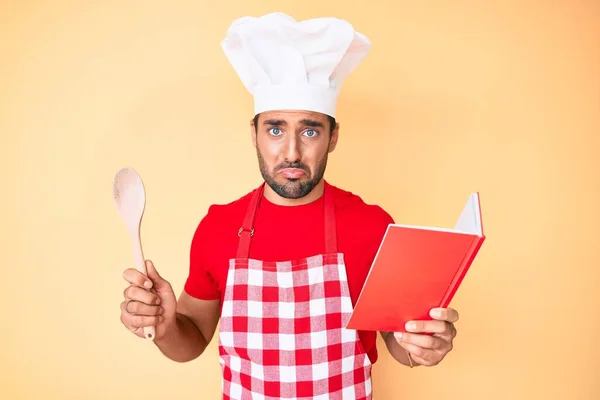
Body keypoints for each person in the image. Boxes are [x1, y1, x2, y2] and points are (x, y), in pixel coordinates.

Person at [119, 12, 459, 399]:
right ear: (255, 134)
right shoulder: (217, 227)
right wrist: (165, 328)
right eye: (276, 129)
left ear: (332, 138)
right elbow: (191, 341)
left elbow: (399, 342)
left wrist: (423, 346)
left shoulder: (373, 225)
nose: (292, 152)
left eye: (310, 130)